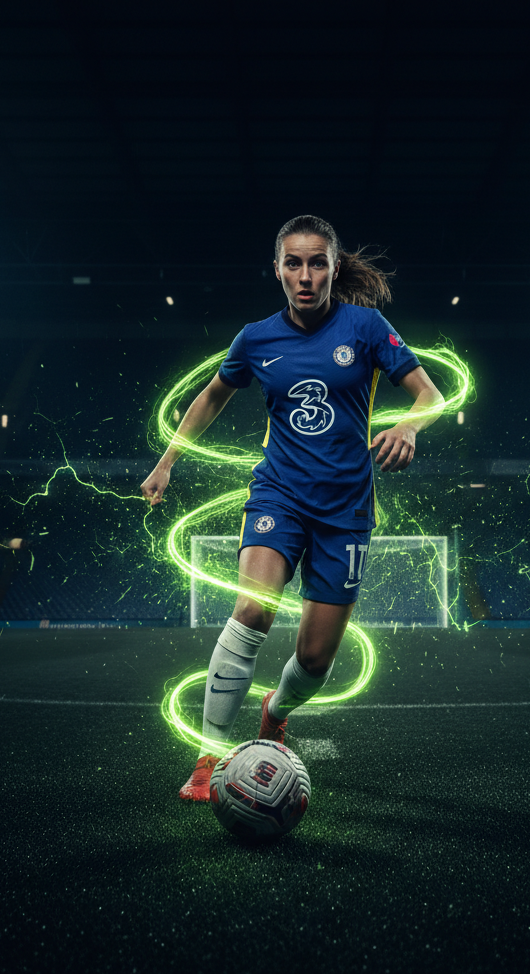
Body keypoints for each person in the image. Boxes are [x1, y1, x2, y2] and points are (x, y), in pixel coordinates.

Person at [141, 214, 444, 801]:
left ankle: (276, 715)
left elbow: (430, 394)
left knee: (313, 659)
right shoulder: (256, 337)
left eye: (317, 262)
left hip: (347, 510)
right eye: (293, 263)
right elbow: (211, 396)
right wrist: (167, 461)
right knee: (251, 613)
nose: (305, 276)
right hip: (278, 494)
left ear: (333, 267)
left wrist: (409, 425)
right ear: (277, 270)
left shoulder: (367, 326)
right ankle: (208, 758)